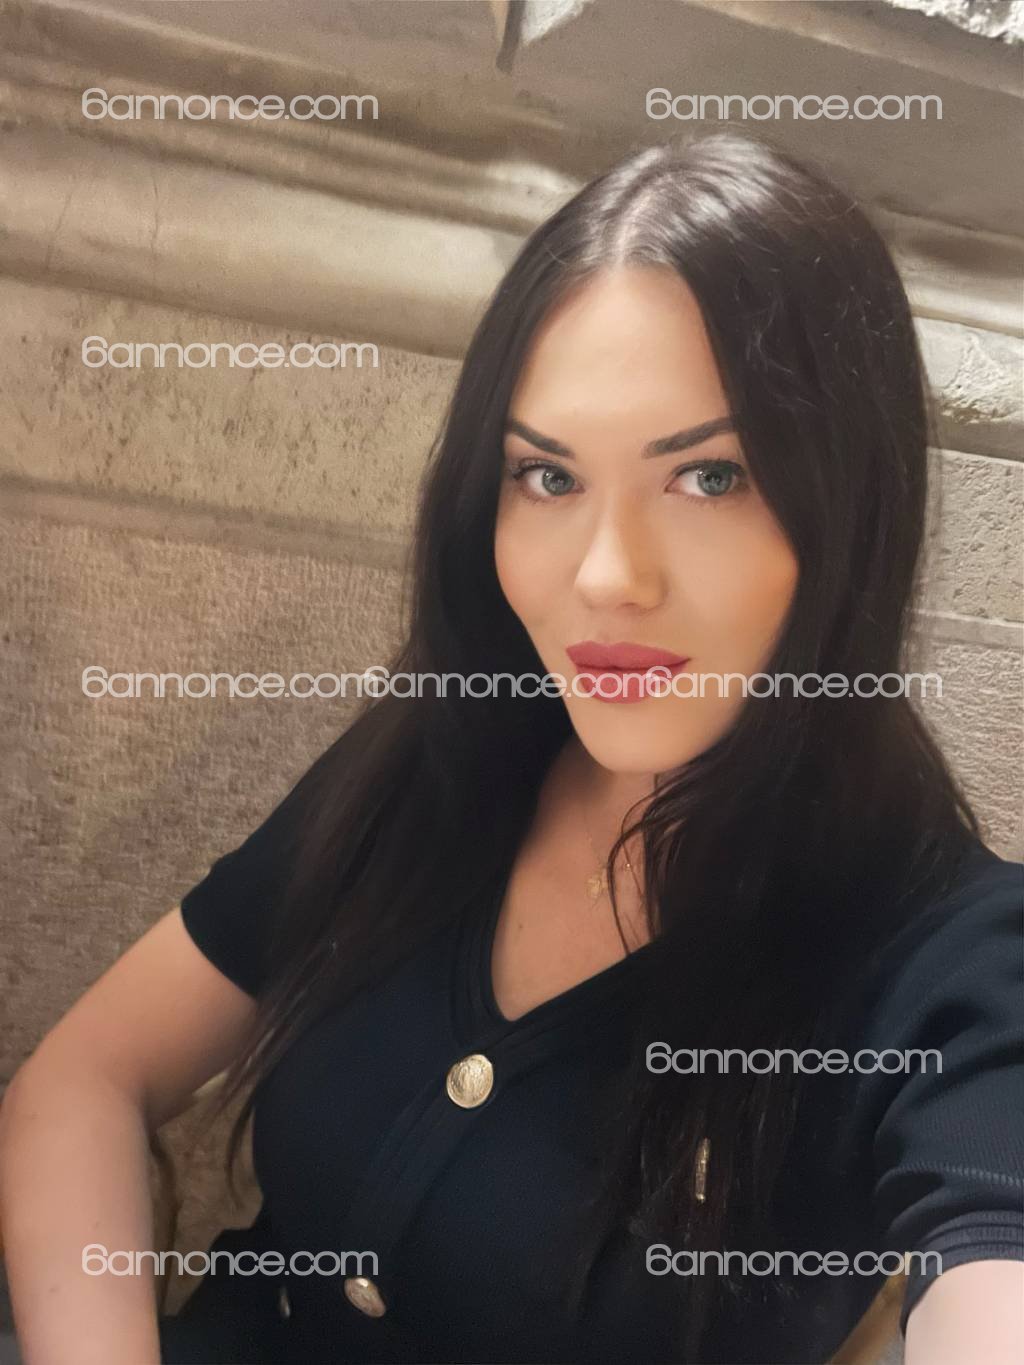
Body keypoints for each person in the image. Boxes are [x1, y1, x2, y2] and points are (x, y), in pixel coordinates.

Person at [2, 131, 1021, 1365]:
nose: (605, 578)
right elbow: (90, 1075)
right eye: (546, 478)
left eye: (709, 477)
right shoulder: (442, 759)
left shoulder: (949, 958)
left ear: (854, 507)